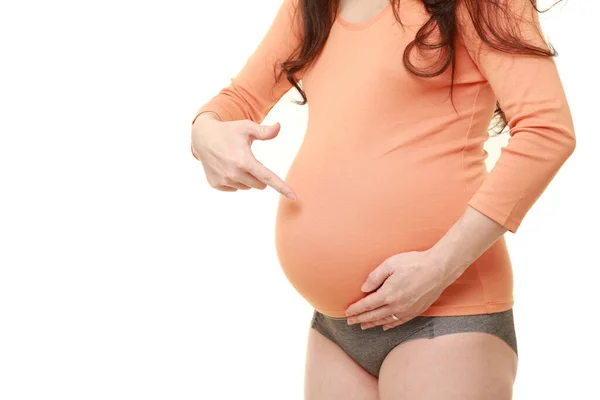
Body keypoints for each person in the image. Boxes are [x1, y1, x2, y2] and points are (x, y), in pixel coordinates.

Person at [190, 0, 575, 398]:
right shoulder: (314, 5)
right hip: (336, 331)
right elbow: (239, 98)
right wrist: (205, 131)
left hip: (446, 316)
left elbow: (547, 130)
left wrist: (438, 268)